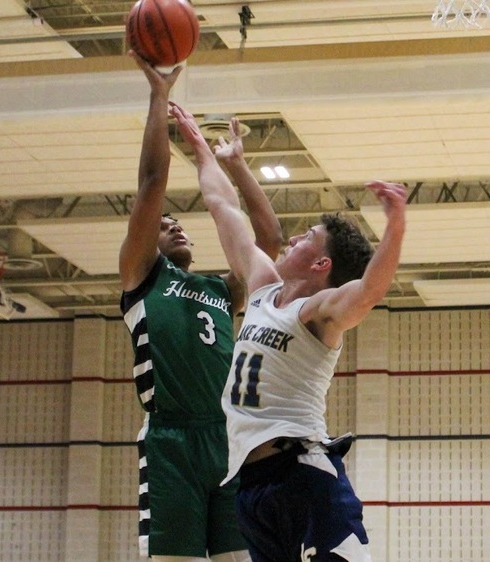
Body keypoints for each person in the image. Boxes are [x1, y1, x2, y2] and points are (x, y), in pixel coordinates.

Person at [171, 102, 406, 562]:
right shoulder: (260, 290)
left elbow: (370, 291)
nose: (293, 238)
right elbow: (222, 207)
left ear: (323, 265)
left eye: (306, 238)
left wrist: (395, 224)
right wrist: (203, 148)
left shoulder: (315, 312)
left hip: (303, 476)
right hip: (251, 486)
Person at [119, 51, 284, 561]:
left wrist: (236, 166)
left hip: (225, 437)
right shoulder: (141, 278)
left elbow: (268, 238)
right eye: (165, 225)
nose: (176, 226)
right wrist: (159, 96)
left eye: (179, 223)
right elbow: (151, 185)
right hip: (170, 441)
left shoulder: (220, 290)